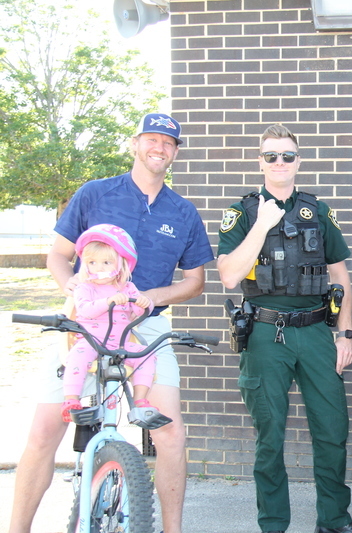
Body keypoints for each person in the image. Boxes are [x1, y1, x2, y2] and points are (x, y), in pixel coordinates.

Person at [10, 112, 214, 533]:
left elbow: (196, 281)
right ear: (136, 143)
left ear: (175, 152)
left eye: (169, 143)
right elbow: (58, 255)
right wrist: (74, 293)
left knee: (171, 433)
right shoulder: (94, 193)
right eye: (152, 139)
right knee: (45, 429)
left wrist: (153, 297)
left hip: (145, 326)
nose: (159, 148)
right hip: (84, 322)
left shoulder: (183, 210)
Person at [216, 124, 352, 533]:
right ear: (259, 161)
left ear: (299, 160)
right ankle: (274, 524)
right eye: (271, 155)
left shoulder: (319, 210)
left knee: (332, 429)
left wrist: (345, 333)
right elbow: (228, 275)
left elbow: (340, 275)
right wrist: (262, 224)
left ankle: (333, 519)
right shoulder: (241, 213)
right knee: (269, 436)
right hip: (264, 334)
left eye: (287, 155)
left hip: (316, 331)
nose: (280, 162)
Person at [62, 224, 169, 430]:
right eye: (92, 262)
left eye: (106, 262)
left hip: (120, 343)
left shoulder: (126, 287)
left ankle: (140, 400)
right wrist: (110, 301)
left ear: (120, 265)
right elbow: (85, 310)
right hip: (92, 341)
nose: (99, 268)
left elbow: (137, 312)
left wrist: (143, 304)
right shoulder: (85, 288)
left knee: (145, 354)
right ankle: (71, 399)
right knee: (77, 356)